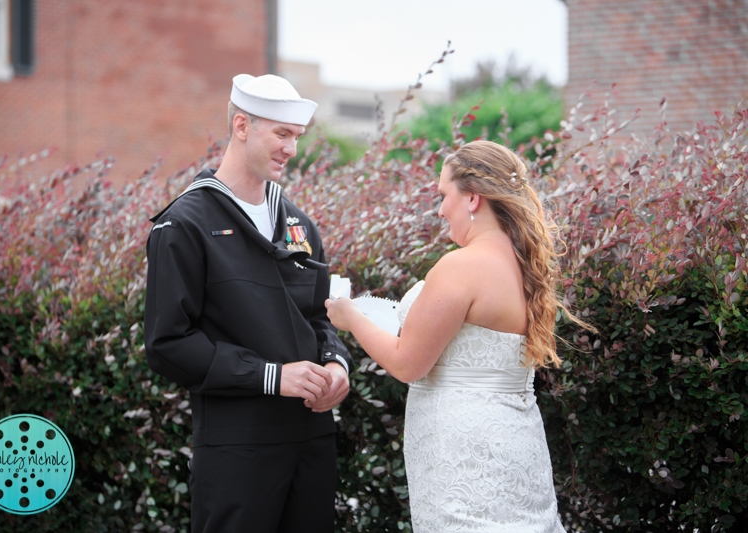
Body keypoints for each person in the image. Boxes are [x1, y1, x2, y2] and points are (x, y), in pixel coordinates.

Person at [326, 140, 585, 532]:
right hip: (518, 445)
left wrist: (352, 318)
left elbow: (407, 363)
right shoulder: (524, 266)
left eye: (445, 195)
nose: (441, 208)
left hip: (465, 455)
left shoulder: (461, 267)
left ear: (473, 199)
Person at [144, 73, 354, 533]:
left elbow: (321, 317)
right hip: (237, 449)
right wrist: (271, 377)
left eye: (296, 137)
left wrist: (337, 365)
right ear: (241, 126)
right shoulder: (184, 224)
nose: (292, 150)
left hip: (313, 442)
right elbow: (166, 343)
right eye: (281, 134)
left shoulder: (299, 224)